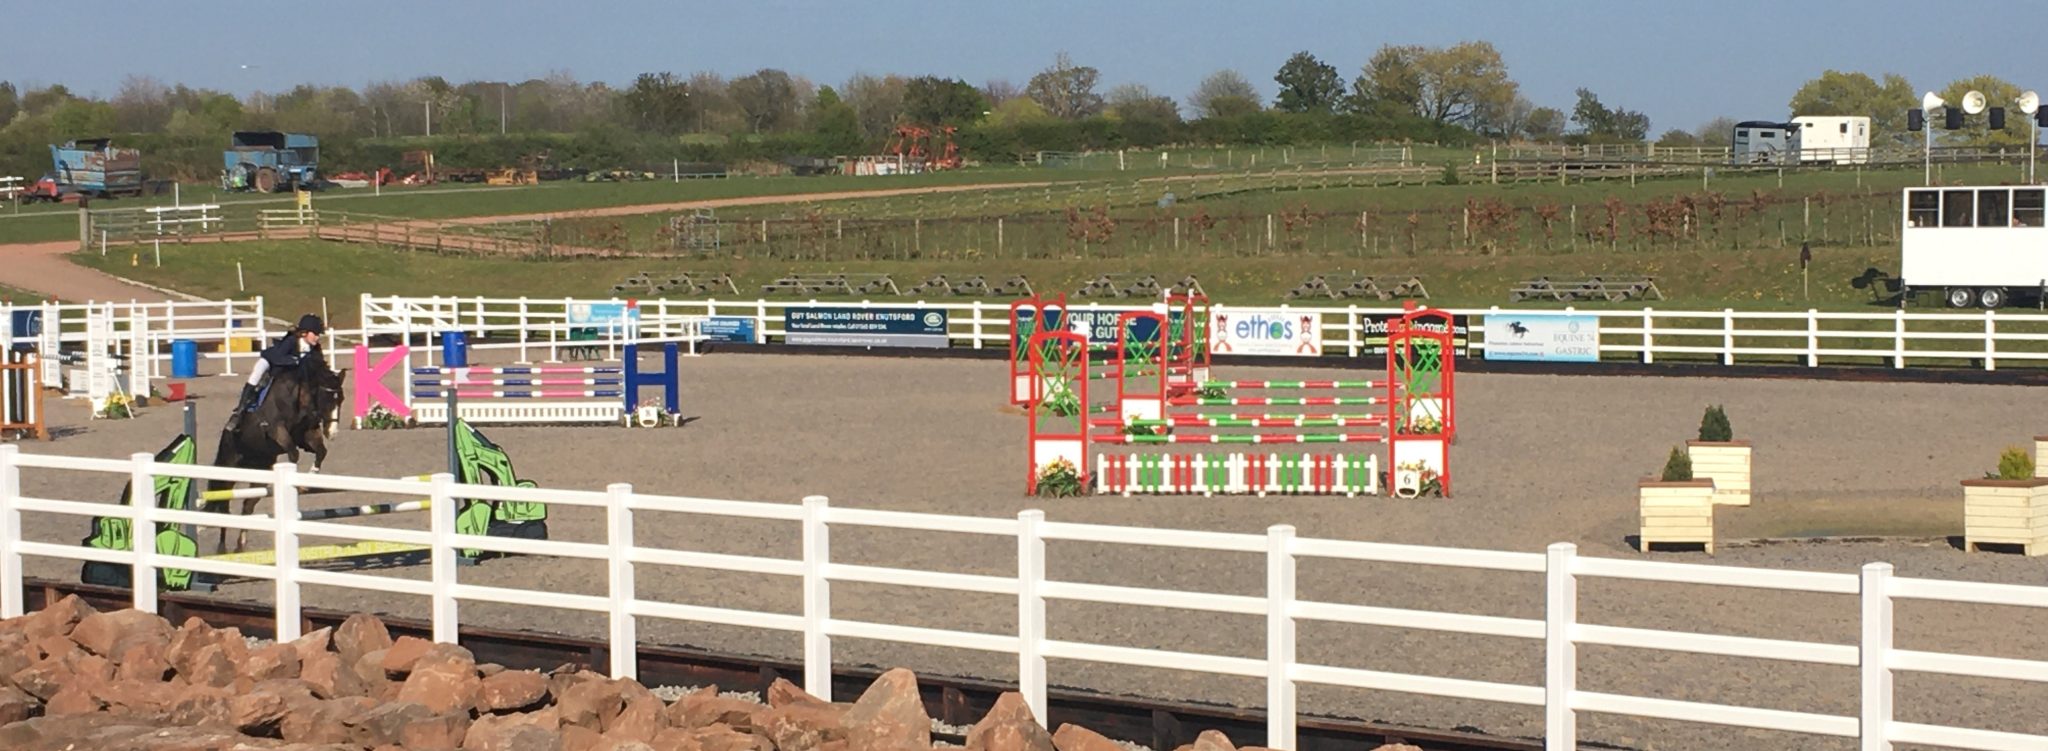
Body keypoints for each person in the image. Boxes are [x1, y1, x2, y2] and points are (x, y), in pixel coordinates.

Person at [226, 314, 326, 431]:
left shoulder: (314, 348)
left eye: (319, 334)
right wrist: (295, 360)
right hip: (272, 361)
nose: (317, 337)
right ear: (304, 333)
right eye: (315, 334)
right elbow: (279, 357)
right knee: (256, 376)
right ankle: (239, 413)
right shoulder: (291, 341)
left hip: (289, 370)